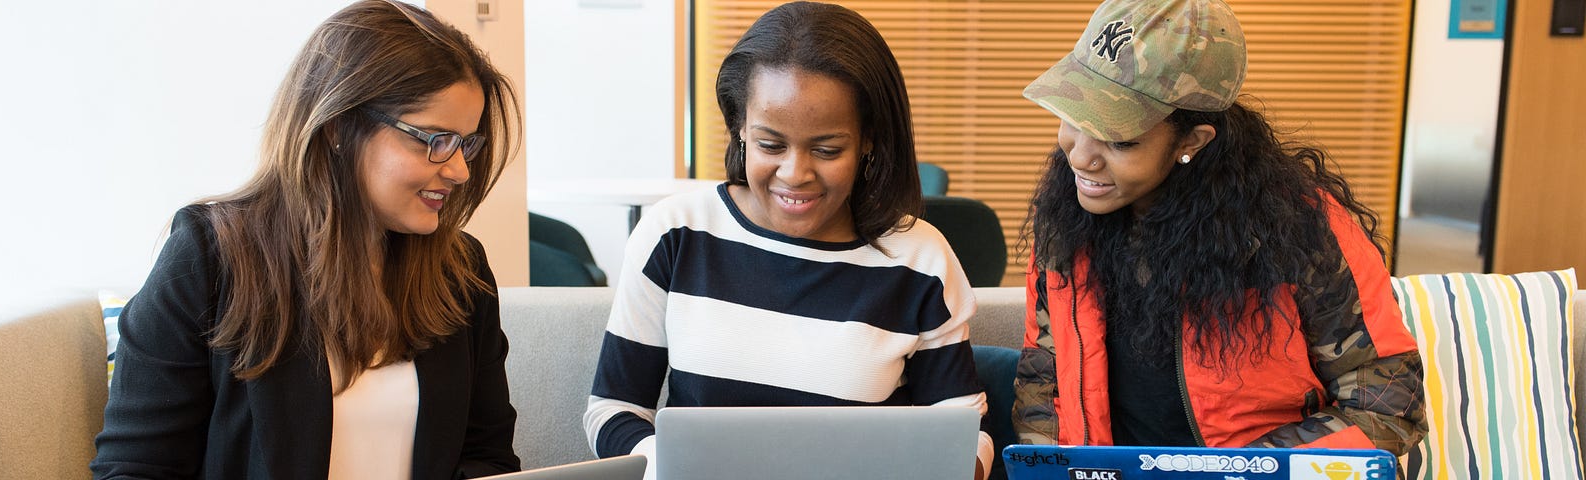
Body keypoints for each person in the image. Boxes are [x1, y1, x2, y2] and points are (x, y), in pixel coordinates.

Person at [90, 1, 522, 478]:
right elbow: (135, 468)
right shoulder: (210, 258)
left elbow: (488, 458)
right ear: (338, 126)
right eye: (435, 139)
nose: (460, 169)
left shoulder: (460, 272)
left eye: (466, 143)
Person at [584, 2, 993, 478]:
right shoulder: (675, 234)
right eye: (770, 144)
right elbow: (612, 411)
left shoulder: (920, 260)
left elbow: (964, 432)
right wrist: (670, 466)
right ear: (739, 126)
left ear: (869, 141)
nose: (794, 174)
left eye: (826, 149)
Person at [1010, 0, 1428, 455]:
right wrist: (1050, 467)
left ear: (1192, 140)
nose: (1079, 155)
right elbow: (1043, 380)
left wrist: (1240, 468)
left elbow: (1387, 407)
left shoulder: (1303, 230)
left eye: (1118, 139)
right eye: (1074, 118)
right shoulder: (1068, 223)